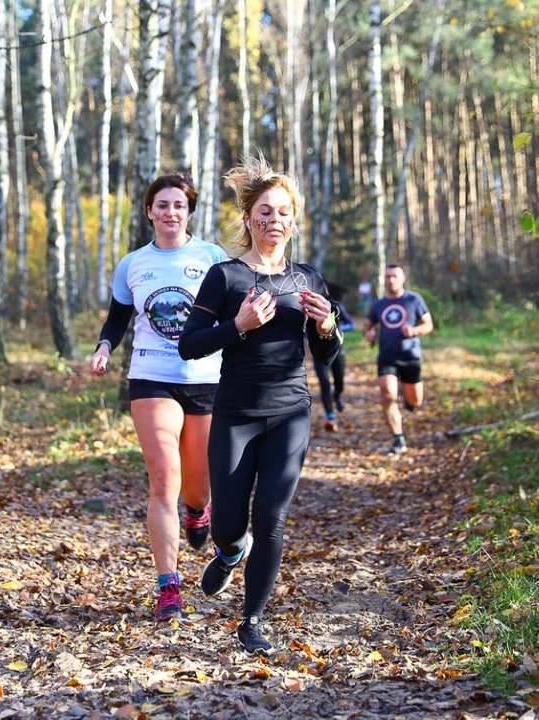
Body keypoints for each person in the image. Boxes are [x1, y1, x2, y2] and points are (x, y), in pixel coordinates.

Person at [178, 156, 342, 654]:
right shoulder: (225, 277)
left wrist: (326, 327)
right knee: (230, 524)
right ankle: (230, 551)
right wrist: (239, 326)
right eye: (265, 212)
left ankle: (252, 621)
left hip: (290, 411)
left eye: (284, 212)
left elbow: (329, 359)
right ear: (249, 218)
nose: (275, 220)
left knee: (271, 516)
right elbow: (189, 344)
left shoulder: (309, 279)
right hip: (235, 414)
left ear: (294, 220)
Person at [90, 173, 229, 622]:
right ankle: (168, 585)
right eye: (162, 205)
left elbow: (234, 316)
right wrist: (104, 347)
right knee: (164, 480)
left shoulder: (212, 257)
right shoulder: (133, 264)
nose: (171, 212)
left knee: (197, 484)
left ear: (189, 213)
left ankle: (198, 510)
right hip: (151, 375)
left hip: (206, 377)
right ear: (149, 211)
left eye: (179, 206)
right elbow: (117, 319)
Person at [361, 263, 433, 454]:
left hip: (410, 356)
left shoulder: (414, 300)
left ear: (403, 279)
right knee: (387, 394)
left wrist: (415, 330)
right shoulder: (379, 305)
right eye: (387, 277)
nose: (391, 280)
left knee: (415, 401)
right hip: (387, 356)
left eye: (394, 276)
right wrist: (368, 334)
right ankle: (398, 438)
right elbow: (367, 326)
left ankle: (409, 401)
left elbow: (428, 324)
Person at [314, 283, 354, 432]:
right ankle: (330, 416)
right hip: (319, 353)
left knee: (339, 382)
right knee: (324, 384)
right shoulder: (308, 306)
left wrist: (336, 329)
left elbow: (351, 324)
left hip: (338, 351)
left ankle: (337, 395)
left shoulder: (336, 306)